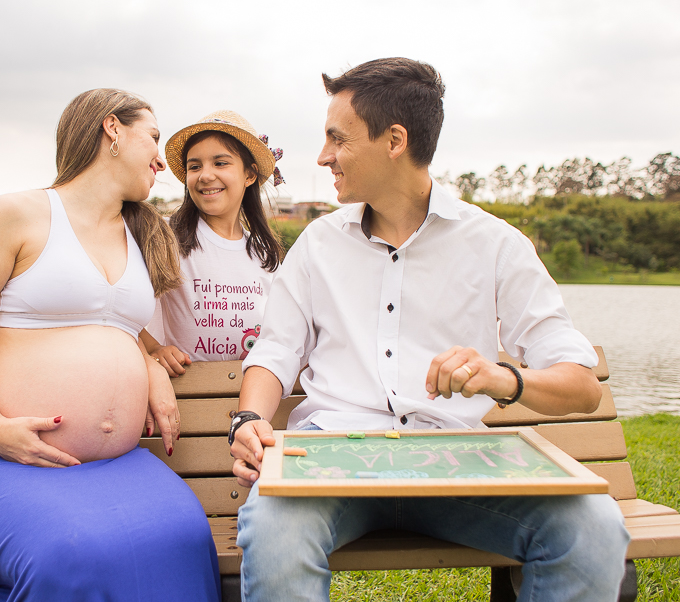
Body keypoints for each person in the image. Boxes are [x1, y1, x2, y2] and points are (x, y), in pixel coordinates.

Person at [228, 59, 630, 602]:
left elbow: (581, 386)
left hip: (459, 459)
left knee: (593, 527)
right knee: (274, 534)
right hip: (330, 462)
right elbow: (275, 351)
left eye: (337, 139)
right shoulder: (318, 245)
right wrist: (250, 417)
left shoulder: (496, 244)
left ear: (395, 140)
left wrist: (504, 378)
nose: (323, 156)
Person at [0, 89, 221, 601]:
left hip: (116, 466)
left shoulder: (143, 235)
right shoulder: (19, 213)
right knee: (67, 553)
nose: (161, 159)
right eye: (152, 137)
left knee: (188, 539)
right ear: (112, 129)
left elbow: (115, 327)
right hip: (5, 461)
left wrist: (150, 361)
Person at [141, 111, 284, 377]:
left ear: (249, 175)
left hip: (247, 392)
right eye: (194, 167)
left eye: (220, 163)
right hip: (186, 393)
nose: (205, 175)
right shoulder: (164, 235)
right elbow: (115, 302)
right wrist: (153, 348)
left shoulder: (263, 254)